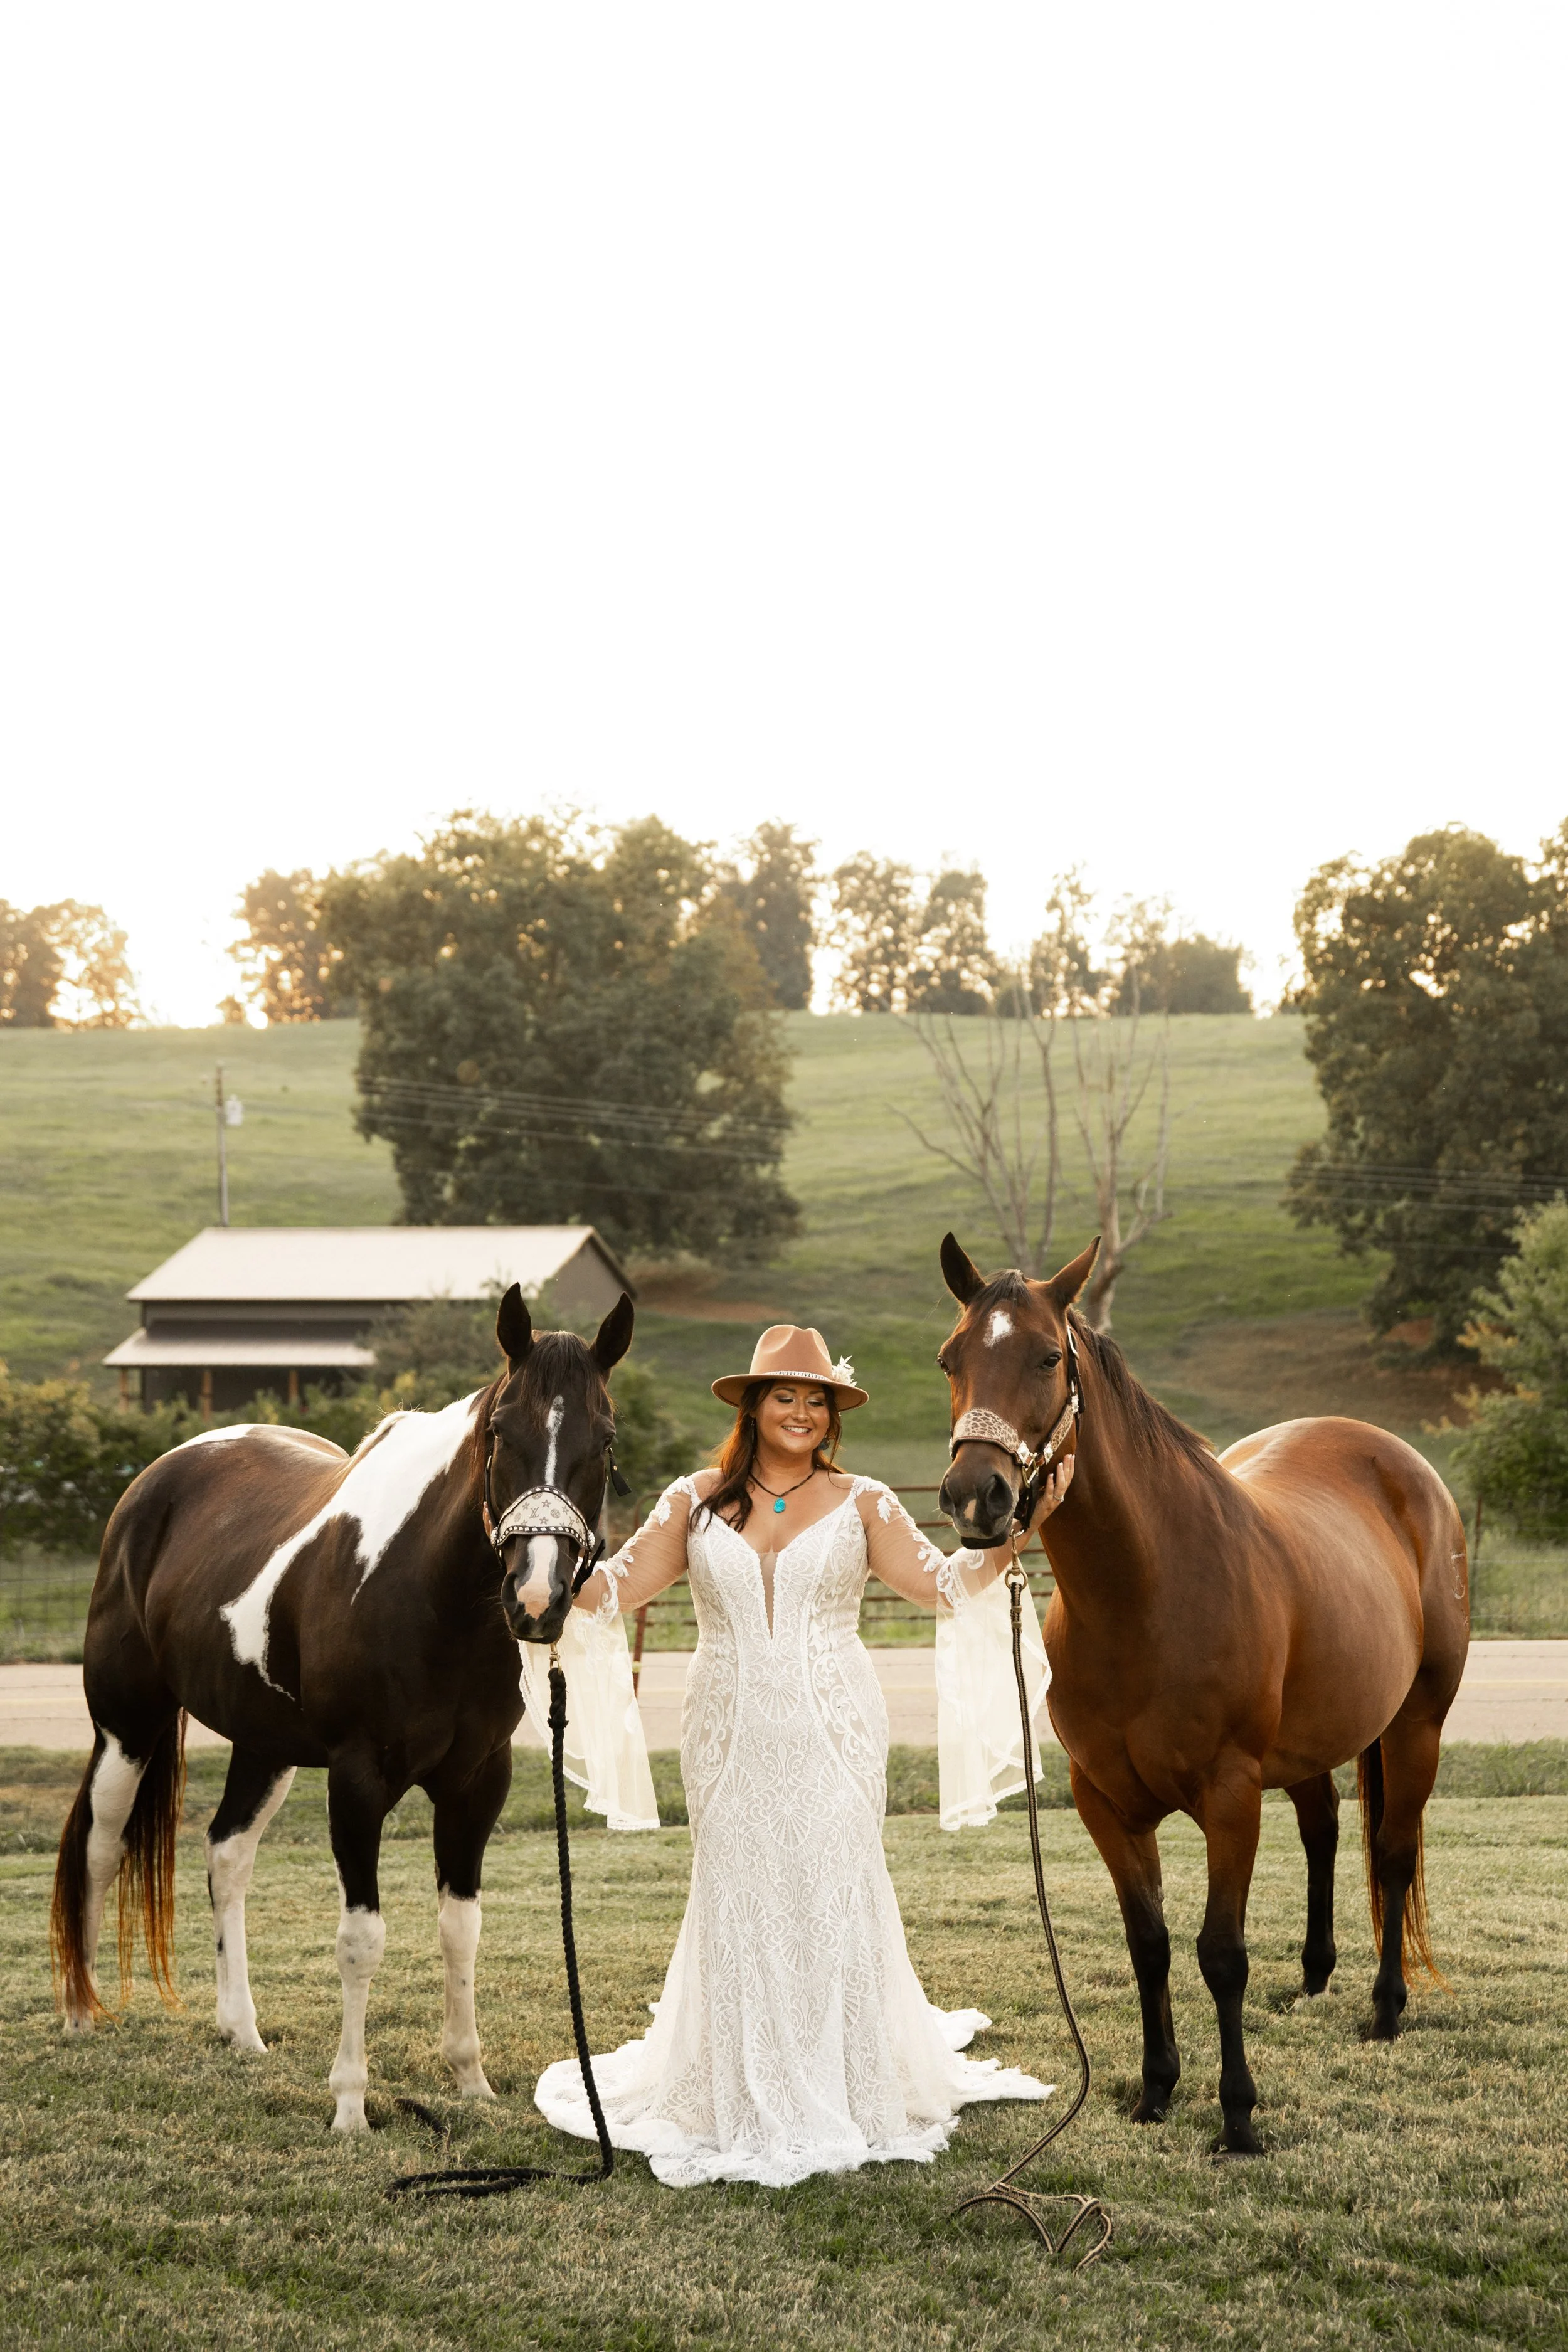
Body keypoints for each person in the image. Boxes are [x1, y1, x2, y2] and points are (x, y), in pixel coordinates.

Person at [527, 1324, 1074, 2191]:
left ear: (832, 1414)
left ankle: (846, 2080)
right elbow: (614, 1589)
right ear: (752, 1405)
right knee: (739, 1887)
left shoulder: (862, 1502)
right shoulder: (697, 1499)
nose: (801, 1411)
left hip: (835, 1725)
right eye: (784, 1395)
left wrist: (1020, 1530)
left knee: (829, 1883)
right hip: (727, 1728)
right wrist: (540, 1551)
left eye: (816, 1399)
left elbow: (940, 1585)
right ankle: (736, 2087)